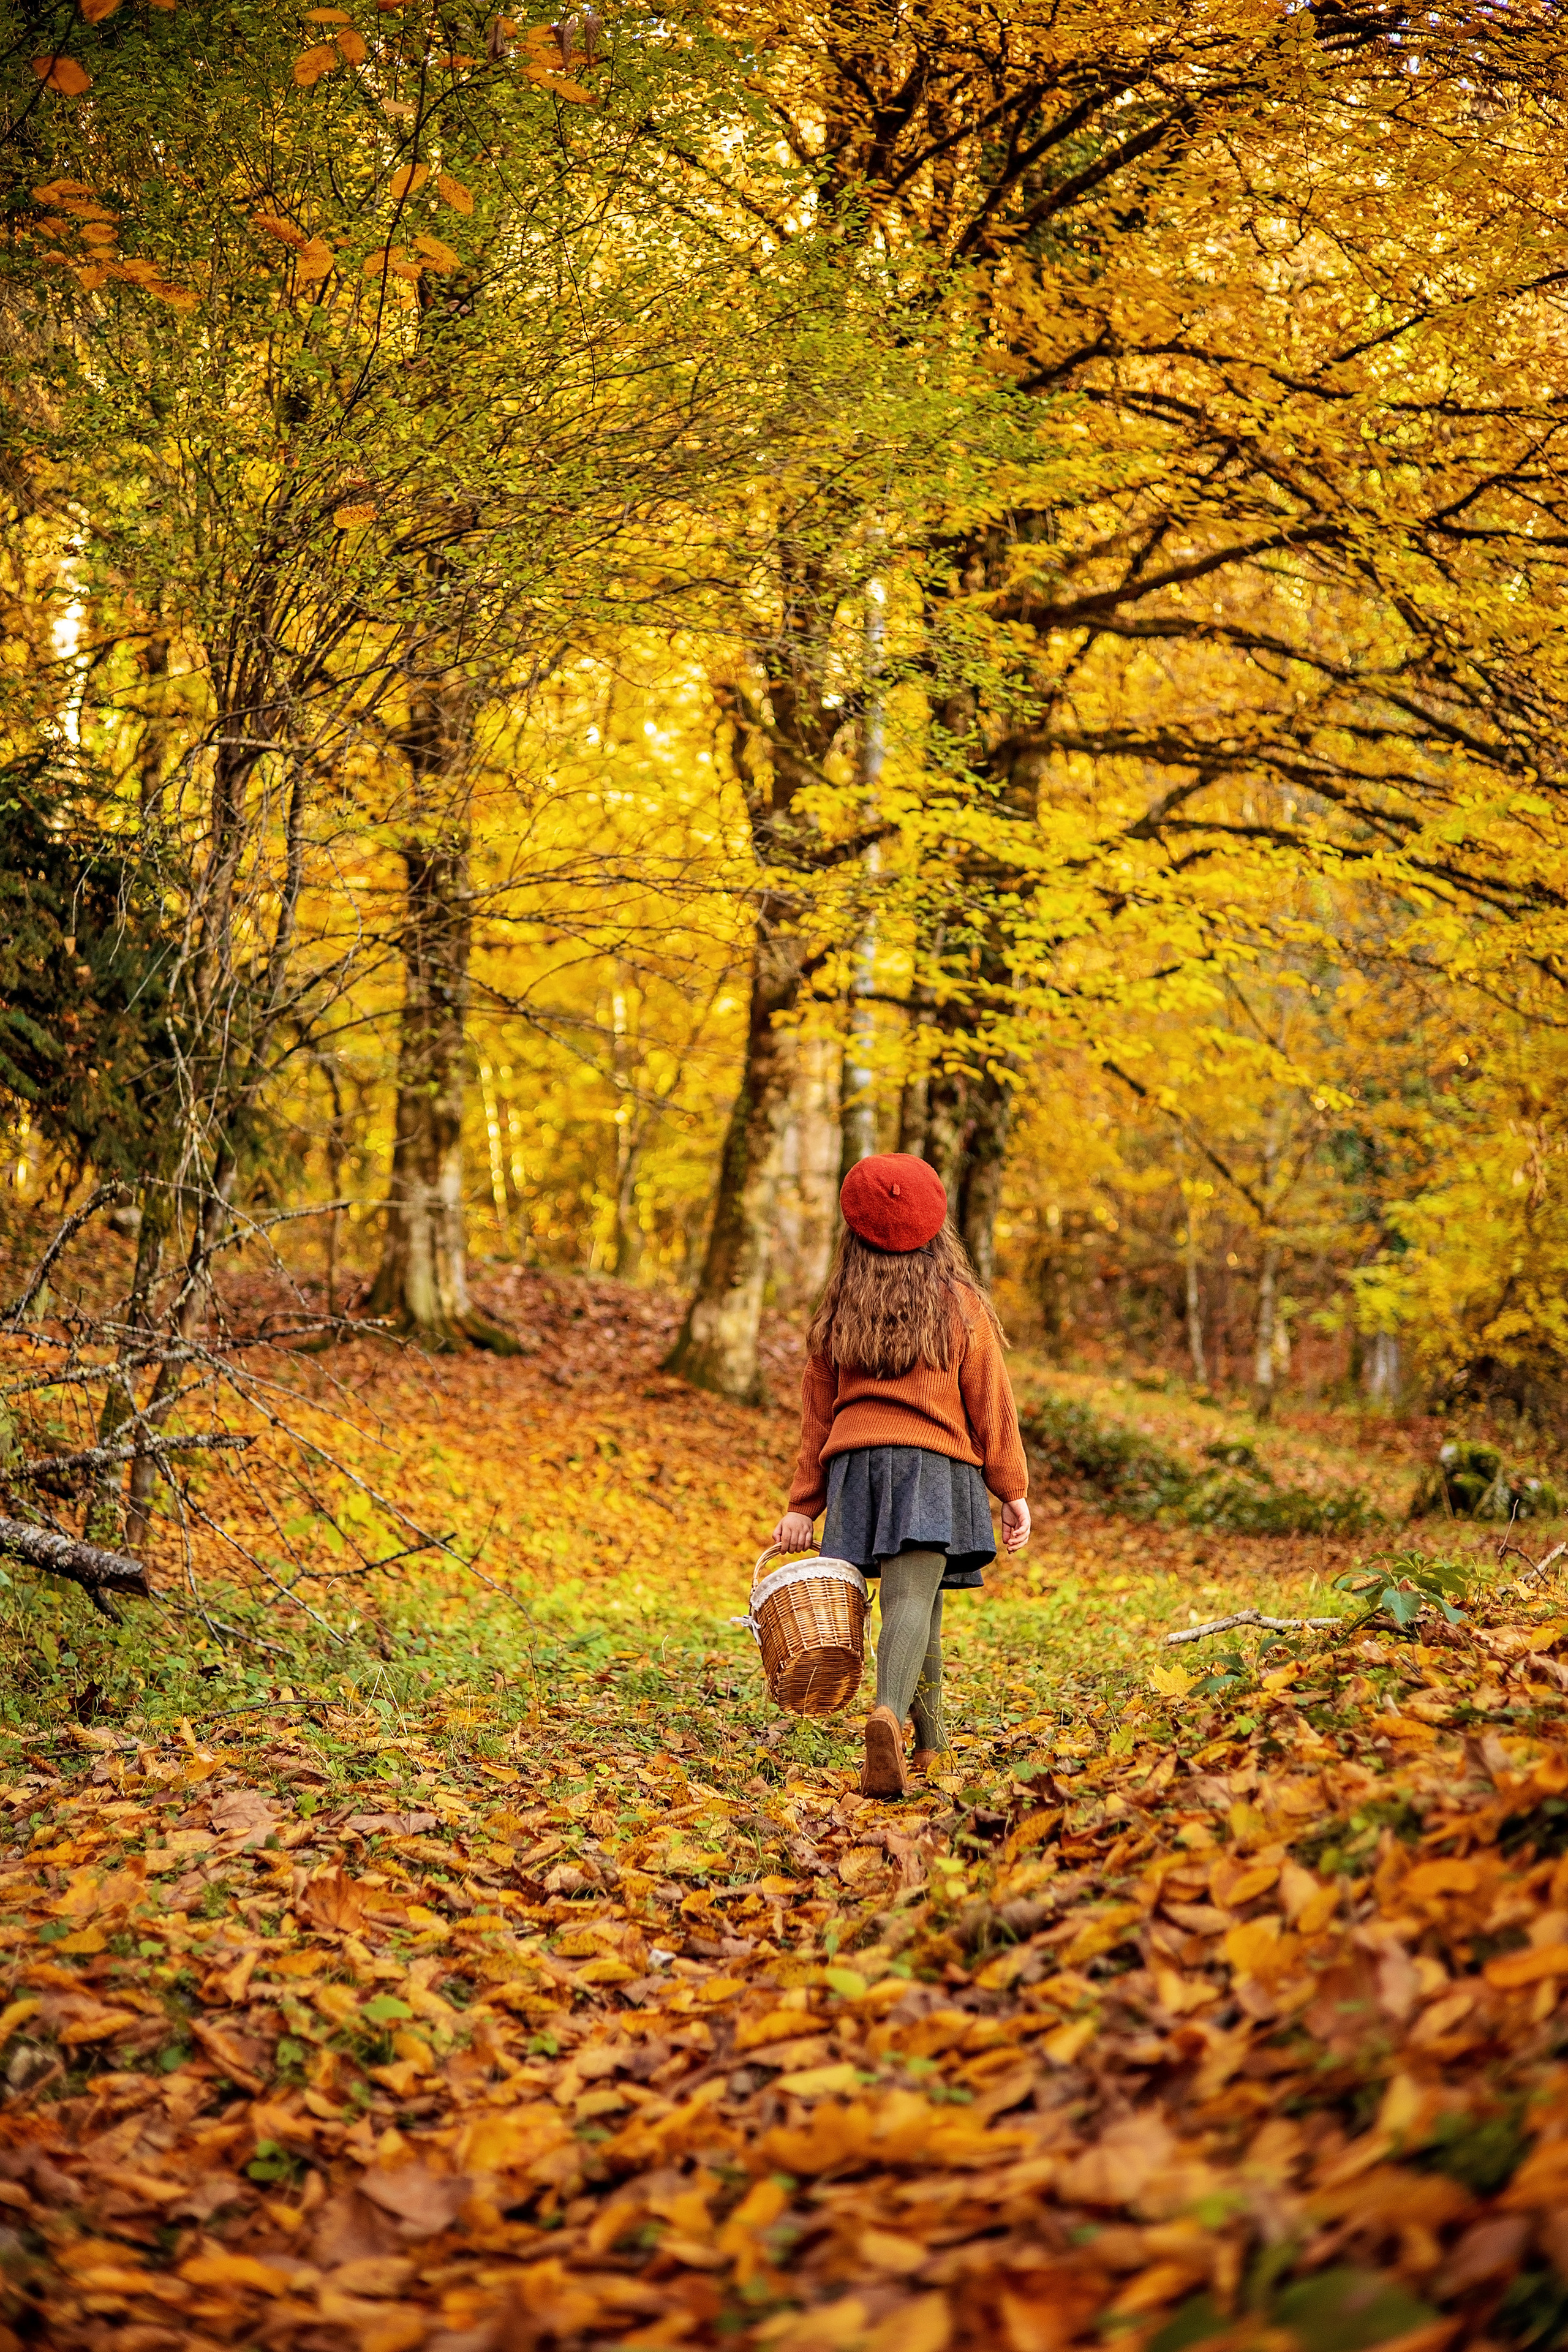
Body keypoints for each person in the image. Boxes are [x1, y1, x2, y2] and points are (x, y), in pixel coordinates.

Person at [772, 1152, 1030, 1798]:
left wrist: (805, 1503)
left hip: (858, 1467)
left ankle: (931, 1745)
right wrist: (1013, 1489)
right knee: (912, 1600)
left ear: (854, 1232)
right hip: (935, 1467)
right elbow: (989, 1402)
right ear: (935, 1226)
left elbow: (816, 1415)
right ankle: (886, 1715)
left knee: (924, 1603)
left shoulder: (840, 1309)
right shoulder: (960, 1305)